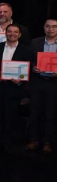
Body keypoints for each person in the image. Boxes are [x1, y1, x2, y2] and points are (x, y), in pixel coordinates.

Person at [0, 23, 32, 151]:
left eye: (15, 32)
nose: (12, 34)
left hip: (14, 88)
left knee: (11, 116)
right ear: (5, 33)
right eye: (9, 31)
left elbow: (28, 71)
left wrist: (20, 80)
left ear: (19, 35)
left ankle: (7, 142)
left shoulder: (26, 51)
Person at [27, 19, 57, 155]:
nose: (51, 29)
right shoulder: (35, 42)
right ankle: (33, 140)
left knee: (50, 113)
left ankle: (47, 142)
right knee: (34, 111)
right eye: (48, 26)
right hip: (37, 82)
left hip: (54, 84)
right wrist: (33, 67)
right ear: (44, 28)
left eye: (54, 27)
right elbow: (29, 60)